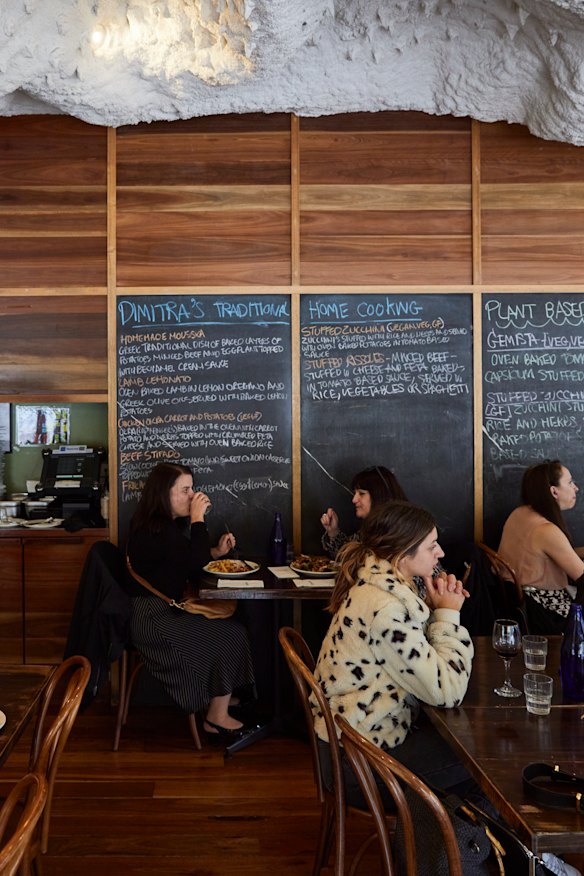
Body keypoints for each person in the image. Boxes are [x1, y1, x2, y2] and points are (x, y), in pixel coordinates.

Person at [312, 499, 474, 801]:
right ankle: (446, 830)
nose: (440, 553)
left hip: (354, 741)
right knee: (480, 758)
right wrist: (449, 615)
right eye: (432, 546)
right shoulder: (387, 609)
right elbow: (447, 691)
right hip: (357, 764)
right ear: (402, 555)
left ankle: (449, 828)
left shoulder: (378, 584)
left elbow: (415, 658)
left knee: (469, 748)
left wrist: (434, 608)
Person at [126, 462, 256, 741]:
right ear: (164, 494)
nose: (192, 495)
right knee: (230, 634)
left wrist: (215, 551)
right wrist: (198, 520)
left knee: (234, 623)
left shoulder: (161, 526)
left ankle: (219, 696)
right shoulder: (155, 530)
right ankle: (216, 717)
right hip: (153, 620)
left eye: (192, 488)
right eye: (185, 490)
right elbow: (194, 565)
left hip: (161, 611)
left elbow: (184, 559)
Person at [498, 459, 584, 634]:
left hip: (516, 602)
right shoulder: (546, 530)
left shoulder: (520, 513)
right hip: (544, 612)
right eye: (570, 482)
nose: (576, 488)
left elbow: (558, 554)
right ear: (554, 491)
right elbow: (582, 576)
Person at [320, 465, 407, 558]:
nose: (354, 499)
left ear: (379, 495)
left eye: (361, 493)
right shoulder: (372, 527)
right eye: (355, 493)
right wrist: (333, 531)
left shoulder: (399, 532)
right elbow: (347, 555)